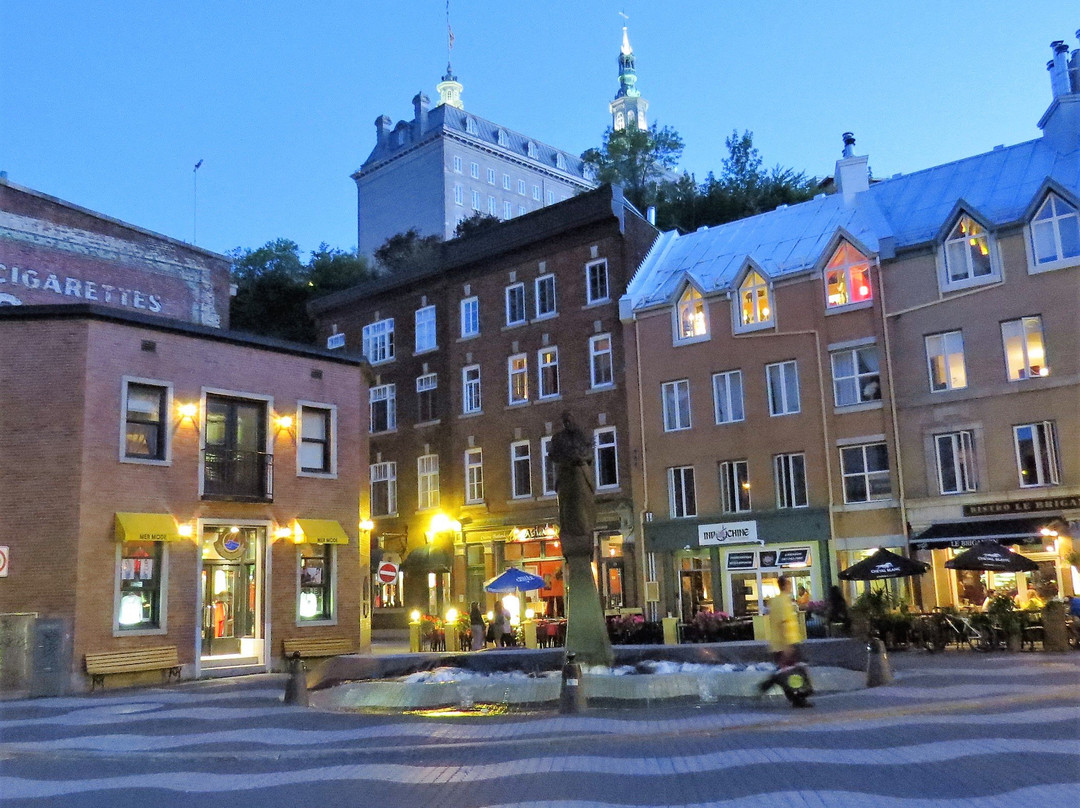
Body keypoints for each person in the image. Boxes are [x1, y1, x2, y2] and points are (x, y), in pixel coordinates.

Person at [758, 577, 813, 707]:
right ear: (786, 585)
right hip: (787, 642)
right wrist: (788, 645)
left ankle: (794, 696)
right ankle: (797, 697)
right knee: (793, 671)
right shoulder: (783, 601)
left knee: (786, 671)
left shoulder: (775, 601)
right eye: (789, 584)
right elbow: (784, 622)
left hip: (778, 642)